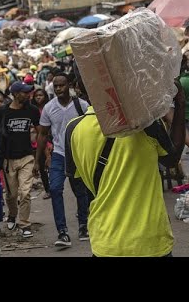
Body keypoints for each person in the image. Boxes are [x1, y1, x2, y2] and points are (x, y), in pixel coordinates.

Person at [65, 62, 186, 257]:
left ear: (79, 87)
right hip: (150, 241)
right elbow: (172, 160)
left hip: (105, 241)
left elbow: (76, 182)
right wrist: (180, 104)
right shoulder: (145, 124)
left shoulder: (73, 129)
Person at [33, 72, 90, 247]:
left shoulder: (82, 106)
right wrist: (38, 161)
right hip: (59, 154)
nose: (58, 89)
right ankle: (62, 232)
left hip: (78, 155)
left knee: (80, 191)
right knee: (55, 189)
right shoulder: (49, 108)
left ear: (69, 85)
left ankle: (83, 225)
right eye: (56, 86)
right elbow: (42, 135)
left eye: (62, 85)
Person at [0, 81, 41, 238]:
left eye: (28, 92)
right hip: (8, 160)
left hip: (27, 157)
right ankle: (12, 215)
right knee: (12, 194)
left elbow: (41, 133)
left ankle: (25, 224)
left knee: (25, 192)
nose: (28, 95)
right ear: (15, 94)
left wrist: (42, 157)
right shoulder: (2, 112)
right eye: (24, 92)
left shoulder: (32, 110)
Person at [31, 88, 52, 199]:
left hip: (50, 140)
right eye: (36, 96)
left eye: (41, 95)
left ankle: (54, 187)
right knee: (41, 165)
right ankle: (48, 189)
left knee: (51, 165)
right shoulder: (33, 110)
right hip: (37, 142)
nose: (38, 97)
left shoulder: (49, 108)